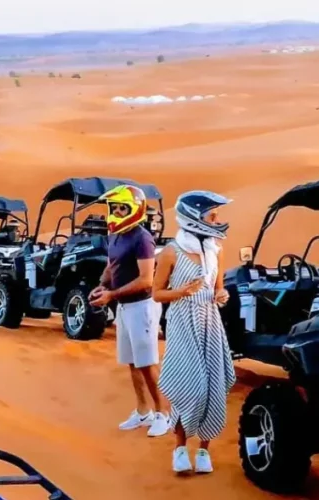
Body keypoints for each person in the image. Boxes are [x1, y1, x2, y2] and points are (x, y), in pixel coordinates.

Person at [152, 190, 236, 474]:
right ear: (194, 217)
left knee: (213, 386)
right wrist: (181, 291)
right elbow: (156, 294)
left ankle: (203, 450)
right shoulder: (170, 252)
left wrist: (221, 294)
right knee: (191, 386)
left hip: (209, 321)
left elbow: (218, 287)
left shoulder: (216, 250)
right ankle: (179, 448)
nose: (217, 220)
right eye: (212, 215)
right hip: (181, 321)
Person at [89, 184, 170, 437]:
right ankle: (143, 411)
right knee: (133, 363)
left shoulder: (142, 238)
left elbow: (147, 280)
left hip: (143, 306)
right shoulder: (115, 234)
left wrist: (111, 294)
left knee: (147, 363)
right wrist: (101, 285)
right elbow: (112, 266)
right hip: (124, 308)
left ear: (134, 209)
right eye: (114, 207)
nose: (116, 211)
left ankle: (163, 414)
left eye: (122, 207)